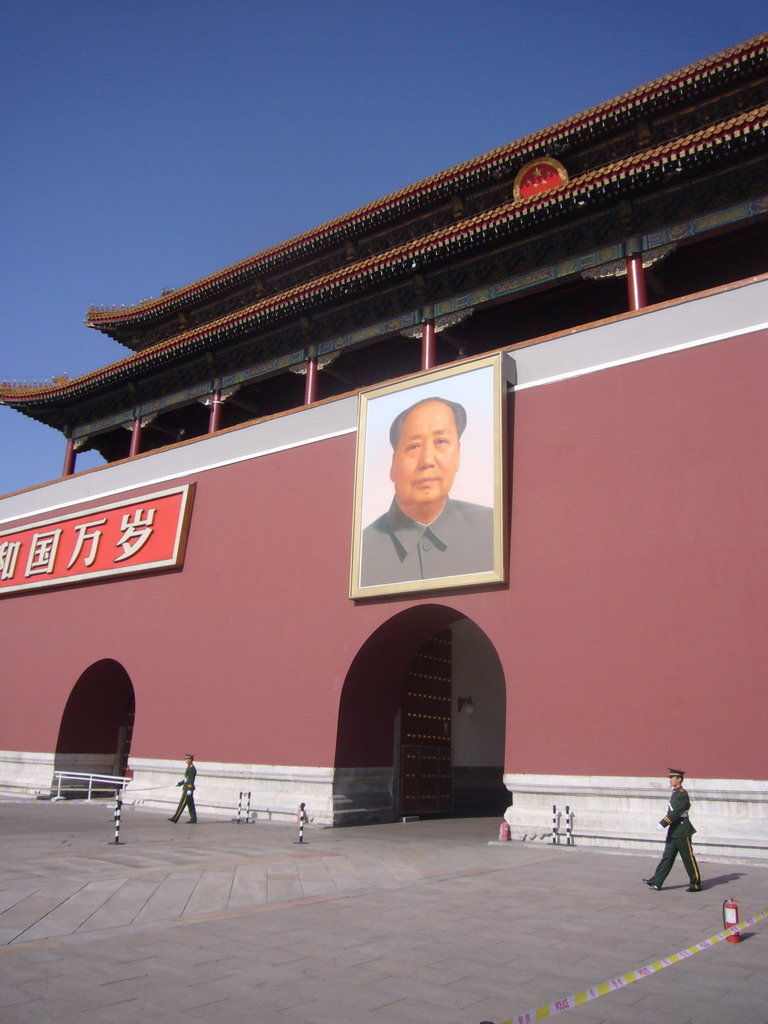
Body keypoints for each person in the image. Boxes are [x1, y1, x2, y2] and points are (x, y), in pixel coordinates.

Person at [360, 397, 494, 586]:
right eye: (414, 446)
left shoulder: (492, 530)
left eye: (440, 441)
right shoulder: (362, 552)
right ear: (392, 465)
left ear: (458, 454)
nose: (427, 460)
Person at [643, 769, 701, 891]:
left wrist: (663, 823)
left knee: (688, 858)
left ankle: (695, 884)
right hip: (674, 830)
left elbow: (677, 812)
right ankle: (657, 881)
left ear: (679, 779)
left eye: (672, 777)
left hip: (682, 831)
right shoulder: (675, 793)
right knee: (667, 857)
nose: (670, 780)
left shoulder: (682, 793)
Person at [168, 754, 197, 823]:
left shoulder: (192, 768)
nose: (186, 760)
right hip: (186, 787)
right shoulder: (189, 767)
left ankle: (175, 818)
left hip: (188, 789)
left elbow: (192, 779)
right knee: (190, 804)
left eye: (187, 759)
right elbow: (186, 779)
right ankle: (193, 819)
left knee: (182, 804)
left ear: (190, 759)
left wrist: (189, 789)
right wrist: (180, 783)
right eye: (185, 759)